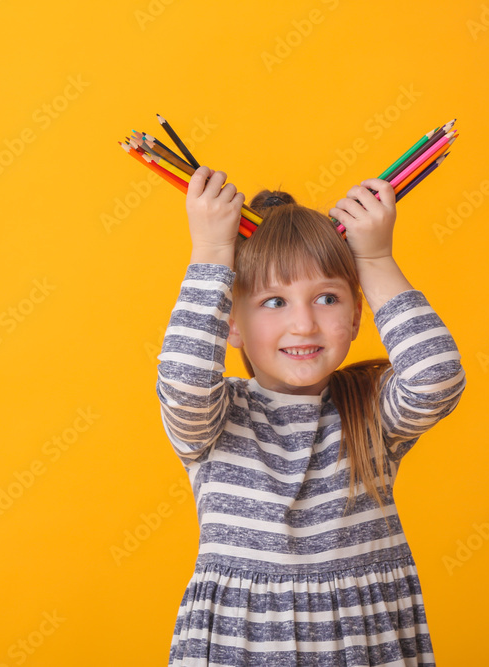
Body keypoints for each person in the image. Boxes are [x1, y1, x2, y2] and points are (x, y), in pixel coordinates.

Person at [156, 166, 466, 666]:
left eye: (326, 298)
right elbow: (183, 380)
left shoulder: (368, 408)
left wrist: (375, 257)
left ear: (357, 314)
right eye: (274, 301)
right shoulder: (216, 418)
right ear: (229, 323)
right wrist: (211, 254)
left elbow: (438, 376)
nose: (304, 323)